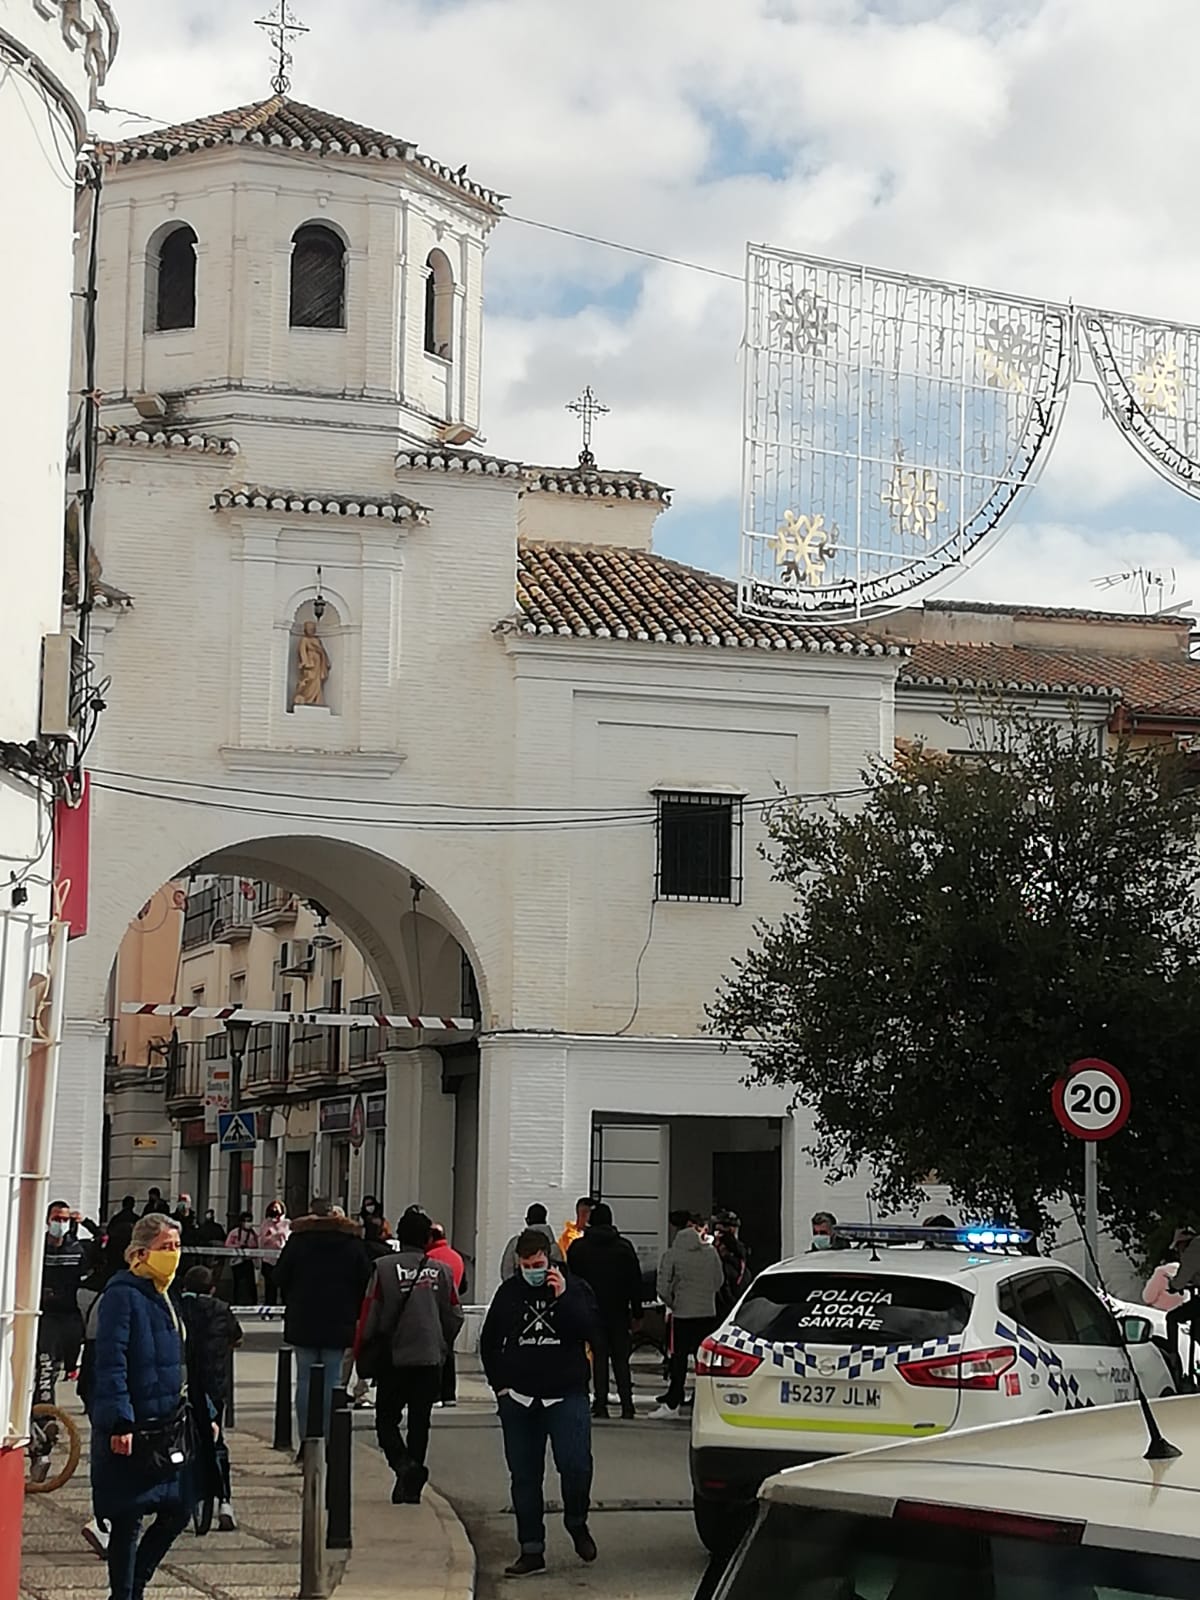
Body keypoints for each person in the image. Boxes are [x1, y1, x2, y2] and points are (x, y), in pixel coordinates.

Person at [480, 1229, 601, 1578]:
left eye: (539, 1264)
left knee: (576, 1466)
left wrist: (563, 1298)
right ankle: (531, 1548)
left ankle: (577, 1521)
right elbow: (490, 1341)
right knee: (525, 1476)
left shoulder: (575, 1288)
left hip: (566, 1394)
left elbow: (591, 1331)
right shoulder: (509, 1293)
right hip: (519, 1398)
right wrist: (500, 1387)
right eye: (526, 1265)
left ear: (550, 1260)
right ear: (518, 1263)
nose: (533, 1270)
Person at [89, 1213, 192, 1600]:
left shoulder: (167, 1293)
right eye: (166, 1247)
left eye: (177, 1247)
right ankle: (124, 1594)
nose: (173, 1255)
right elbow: (111, 1361)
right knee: (128, 1519)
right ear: (141, 1252)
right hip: (134, 1424)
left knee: (179, 1509)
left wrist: (207, 1413)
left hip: (168, 1424)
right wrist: (119, 1422)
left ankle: (136, 1585)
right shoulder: (122, 1295)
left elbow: (185, 1359)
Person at [356, 1208, 462, 1504]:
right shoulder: (442, 1271)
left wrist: (364, 1346)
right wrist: (442, 1343)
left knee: (386, 1420)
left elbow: (370, 1313)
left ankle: (404, 1466)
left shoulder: (383, 1269)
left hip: (394, 1358)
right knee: (420, 1420)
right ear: (428, 1238)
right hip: (429, 1357)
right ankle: (411, 1485)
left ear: (400, 1237)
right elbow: (454, 1314)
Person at [273, 1196, 371, 1439]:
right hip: (340, 1318)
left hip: (302, 1316)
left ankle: (307, 1437)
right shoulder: (351, 1242)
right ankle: (328, 1439)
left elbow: (279, 1277)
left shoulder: (298, 1241)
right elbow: (365, 1279)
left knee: (304, 1378)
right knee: (332, 1378)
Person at [179, 1265, 243, 1531]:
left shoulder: (177, 1307)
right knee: (216, 1442)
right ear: (212, 1288)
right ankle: (225, 1501)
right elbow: (236, 1337)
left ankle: (176, 1495)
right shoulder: (221, 1309)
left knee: (177, 1438)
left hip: (181, 1385)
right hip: (213, 1387)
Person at [567, 1202, 642, 1421]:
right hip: (618, 1311)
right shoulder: (624, 1248)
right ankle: (627, 1406)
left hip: (590, 1310)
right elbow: (634, 1282)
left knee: (599, 1357)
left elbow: (573, 1281)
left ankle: (600, 1404)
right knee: (621, 1358)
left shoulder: (579, 1248)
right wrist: (637, 1312)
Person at [649, 1213, 724, 1420]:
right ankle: (703, 1401)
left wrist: (674, 1303)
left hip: (683, 1314)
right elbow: (719, 1281)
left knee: (679, 1359)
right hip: (708, 1314)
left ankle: (673, 1402)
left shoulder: (672, 1255)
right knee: (705, 1361)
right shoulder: (711, 1254)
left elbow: (662, 1288)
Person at [40, 1200, 93, 1394]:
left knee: (69, 1361)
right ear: (47, 1220)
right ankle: (46, 1413)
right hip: (47, 1314)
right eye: (57, 1219)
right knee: (47, 1365)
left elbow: (104, 1243)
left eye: (64, 1219)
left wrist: (85, 1221)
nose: (60, 1224)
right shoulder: (39, 1249)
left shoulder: (77, 1250)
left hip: (71, 1313)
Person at [427, 1223, 466, 1407]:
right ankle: (449, 1394)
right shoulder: (456, 1257)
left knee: (433, 1352)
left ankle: (434, 1394)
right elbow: (463, 1286)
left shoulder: (430, 1258)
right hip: (453, 1308)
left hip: (433, 1308)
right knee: (449, 1351)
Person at [499, 1203, 563, 1282]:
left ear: (527, 1220)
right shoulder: (554, 1247)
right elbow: (560, 1269)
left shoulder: (514, 1243)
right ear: (545, 1219)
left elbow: (506, 1271)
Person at [225, 1212, 260, 1305]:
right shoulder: (234, 1232)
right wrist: (238, 1246)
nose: (248, 1223)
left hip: (248, 1261)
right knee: (237, 1283)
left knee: (251, 1283)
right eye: (246, 1221)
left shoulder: (253, 1234)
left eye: (250, 1221)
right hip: (237, 1261)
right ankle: (236, 1301)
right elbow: (227, 1245)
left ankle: (253, 1302)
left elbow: (257, 1246)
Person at [260, 1202, 291, 1306]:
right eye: (273, 1209)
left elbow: (289, 1238)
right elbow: (262, 1241)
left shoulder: (287, 1223)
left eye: (277, 1209)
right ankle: (269, 1309)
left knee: (285, 1287)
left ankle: (284, 1309)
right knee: (270, 1286)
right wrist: (272, 1236)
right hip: (269, 1259)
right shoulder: (266, 1223)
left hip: (283, 1259)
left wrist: (280, 1235)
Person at [105, 1196, 139, 1271]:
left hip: (115, 1250)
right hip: (131, 1252)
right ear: (133, 1205)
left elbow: (109, 1232)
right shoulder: (136, 1219)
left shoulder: (116, 1219)